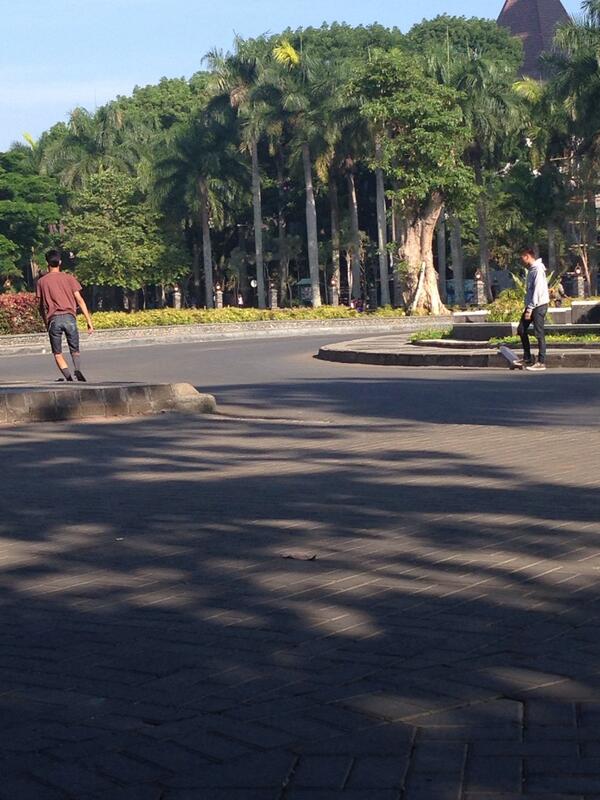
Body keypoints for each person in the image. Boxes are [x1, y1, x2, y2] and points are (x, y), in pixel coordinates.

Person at [36, 250, 94, 382]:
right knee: (75, 349)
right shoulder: (69, 278)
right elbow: (79, 300)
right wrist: (89, 321)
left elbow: (40, 306)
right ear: (60, 262)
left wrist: (46, 322)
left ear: (47, 263)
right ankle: (77, 369)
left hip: (54, 319)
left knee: (57, 353)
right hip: (70, 317)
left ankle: (68, 377)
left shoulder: (41, 282)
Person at [516, 248, 550, 372]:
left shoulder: (538, 269)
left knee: (539, 333)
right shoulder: (531, 270)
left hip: (538, 306)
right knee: (521, 329)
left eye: (522, 258)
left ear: (527, 256)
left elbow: (538, 290)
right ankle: (527, 358)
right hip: (532, 305)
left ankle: (541, 362)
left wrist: (530, 308)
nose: (522, 260)